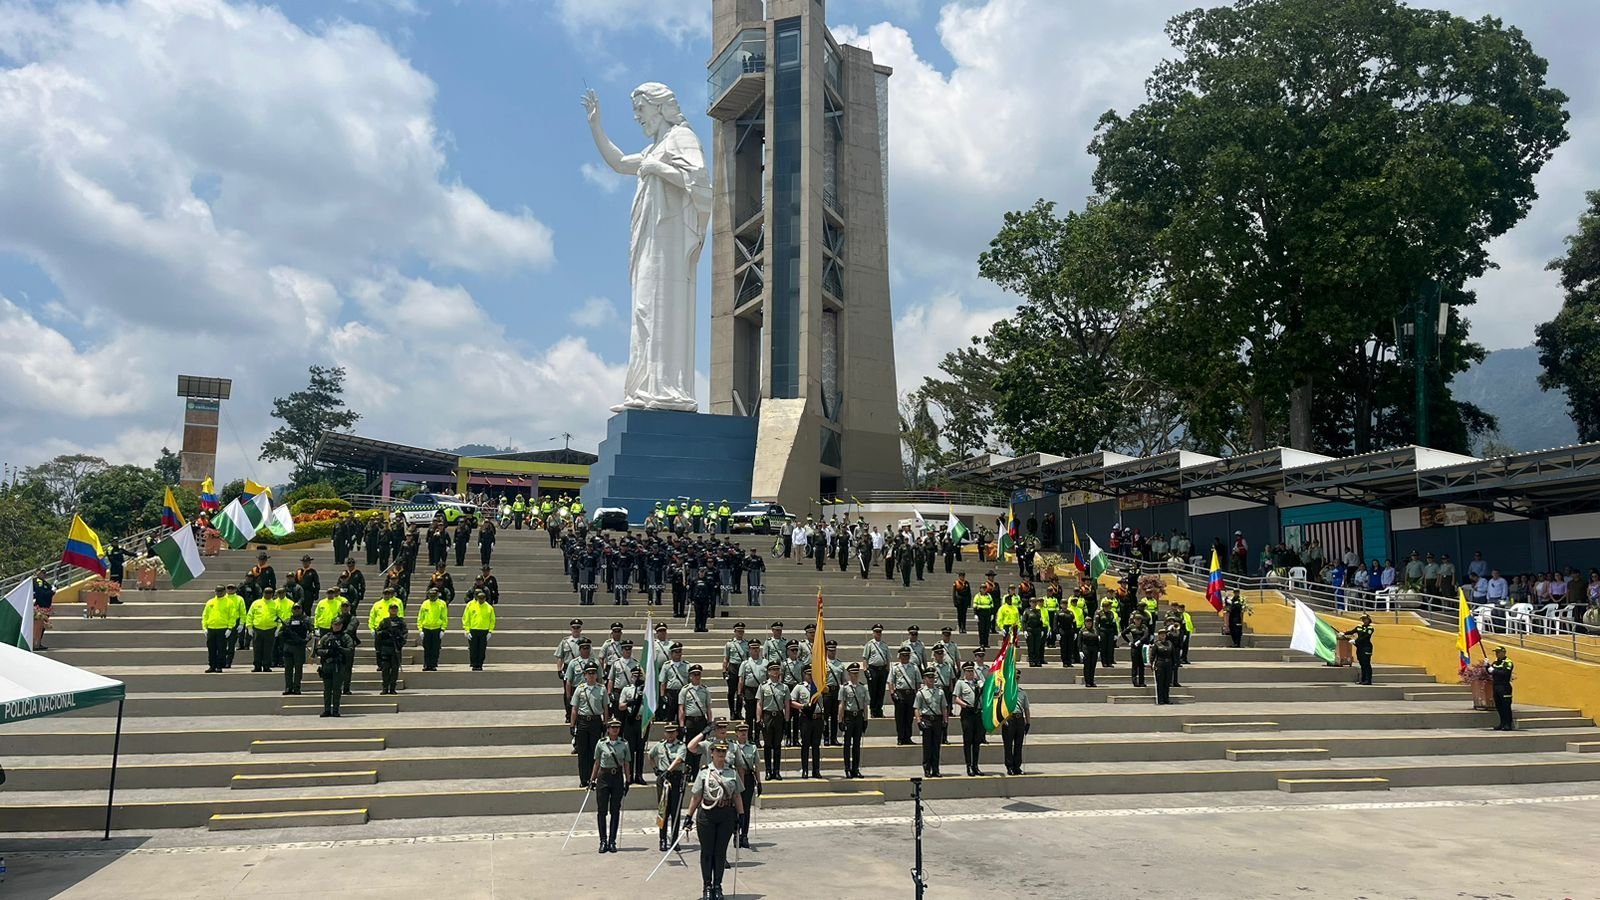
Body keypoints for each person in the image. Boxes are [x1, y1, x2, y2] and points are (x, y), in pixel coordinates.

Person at [683, 740, 746, 900]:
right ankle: (707, 887)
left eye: (723, 751)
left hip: (726, 814)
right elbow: (696, 796)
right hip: (707, 815)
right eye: (718, 751)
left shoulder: (732, 772)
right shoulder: (704, 771)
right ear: (712, 753)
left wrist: (741, 815)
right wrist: (689, 816)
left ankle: (718, 886)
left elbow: (737, 795)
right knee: (707, 853)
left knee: (720, 853)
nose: (721, 754)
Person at [589, 718, 632, 854]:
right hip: (604, 776)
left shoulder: (624, 744)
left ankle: (612, 840)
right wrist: (592, 779)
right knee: (602, 810)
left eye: (617, 728)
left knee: (615, 809)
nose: (614, 730)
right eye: (612, 727)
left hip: (617, 777)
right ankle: (603, 840)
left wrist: (628, 779)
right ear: (608, 729)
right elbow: (596, 762)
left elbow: (626, 763)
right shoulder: (601, 744)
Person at [572, 662, 609, 786]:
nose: (591, 675)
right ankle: (584, 779)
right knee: (583, 752)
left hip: (595, 722)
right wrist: (572, 725)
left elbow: (605, 708)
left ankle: (593, 779)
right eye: (589, 673)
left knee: (595, 752)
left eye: (593, 673)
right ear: (585, 675)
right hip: (582, 721)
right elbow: (574, 709)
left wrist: (606, 723)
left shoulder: (602, 689)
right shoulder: (580, 689)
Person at [728, 722, 761, 847]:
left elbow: (757, 765)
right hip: (735, 778)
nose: (743, 733)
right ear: (736, 733)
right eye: (740, 731)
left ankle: (744, 835)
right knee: (735, 808)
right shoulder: (732, 746)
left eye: (745, 731)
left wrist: (759, 782)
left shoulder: (752, 747)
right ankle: (735, 834)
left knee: (746, 808)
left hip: (748, 778)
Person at [789, 664, 823, 779]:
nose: (811, 676)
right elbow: (791, 701)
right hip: (806, 718)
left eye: (812, 673)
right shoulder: (799, 687)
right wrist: (802, 706)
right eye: (809, 674)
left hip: (817, 718)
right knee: (805, 745)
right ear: (804, 674)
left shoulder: (819, 686)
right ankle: (805, 770)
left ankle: (816, 770)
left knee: (816, 745)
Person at [756, 661, 788, 780]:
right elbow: (759, 703)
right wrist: (759, 719)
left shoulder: (784, 687)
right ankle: (769, 771)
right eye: (773, 669)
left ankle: (777, 770)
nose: (775, 672)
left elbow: (786, 705)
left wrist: (787, 720)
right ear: (768, 672)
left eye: (777, 669)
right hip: (767, 716)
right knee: (768, 745)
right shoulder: (763, 686)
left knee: (777, 745)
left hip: (779, 716)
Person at [316, 618, 354, 717]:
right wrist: (328, 652)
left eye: (339, 624)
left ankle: (336, 710)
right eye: (335, 624)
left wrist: (340, 649)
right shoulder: (326, 637)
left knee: (337, 689)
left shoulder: (346, 637)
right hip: (327, 665)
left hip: (338, 665)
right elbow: (318, 650)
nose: (337, 626)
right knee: (327, 689)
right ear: (332, 625)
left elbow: (350, 650)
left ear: (342, 626)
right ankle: (327, 710)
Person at [838, 662, 870, 778]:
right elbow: (842, 704)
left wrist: (866, 720)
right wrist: (840, 720)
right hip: (849, 717)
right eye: (853, 673)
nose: (855, 675)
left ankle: (855, 768)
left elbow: (865, 705)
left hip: (858, 717)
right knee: (847, 744)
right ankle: (847, 768)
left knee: (857, 745)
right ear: (849, 674)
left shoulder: (863, 688)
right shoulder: (845, 688)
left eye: (856, 673)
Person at [953, 661, 984, 776]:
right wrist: (965, 705)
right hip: (967, 713)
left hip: (978, 713)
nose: (970, 673)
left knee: (977, 741)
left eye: (972, 671)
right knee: (968, 740)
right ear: (964, 672)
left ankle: (976, 765)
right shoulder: (961, 683)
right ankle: (969, 765)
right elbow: (955, 698)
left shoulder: (978, 683)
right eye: (968, 671)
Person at [915, 666, 948, 777]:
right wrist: (919, 721)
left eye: (932, 677)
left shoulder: (940, 692)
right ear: (924, 678)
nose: (931, 679)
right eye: (929, 677)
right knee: (927, 746)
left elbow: (944, 707)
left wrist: (945, 720)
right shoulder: (921, 693)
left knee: (936, 746)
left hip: (937, 720)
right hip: (927, 720)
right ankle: (927, 768)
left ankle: (936, 769)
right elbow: (917, 708)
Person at [1001, 669, 1031, 774]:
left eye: (1018, 678)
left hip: (1019, 719)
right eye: (1014, 678)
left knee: (1019, 745)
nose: (1016, 680)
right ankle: (1009, 766)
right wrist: (1003, 721)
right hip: (1009, 719)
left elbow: (1026, 708)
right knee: (1008, 745)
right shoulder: (1005, 692)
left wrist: (1028, 722)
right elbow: (1000, 707)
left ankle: (1017, 766)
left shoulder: (1022, 692)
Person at [279, 601, 311, 695]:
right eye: (295, 609)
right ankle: (288, 687)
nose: (296, 610)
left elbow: (311, 631)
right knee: (288, 669)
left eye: (298, 608)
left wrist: (305, 640)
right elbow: (280, 634)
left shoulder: (306, 620)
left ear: (301, 609)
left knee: (298, 668)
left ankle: (297, 687)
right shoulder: (287, 621)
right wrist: (285, 633)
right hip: (288, 646)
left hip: (299, 647)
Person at [375, 605, 408, 695]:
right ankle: (385, 688)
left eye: (395, 609)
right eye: (392, 609)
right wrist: (384, 634)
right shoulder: (384, 621)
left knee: (394, 669)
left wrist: (400, 643)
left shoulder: (401, 622)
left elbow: (405, 634)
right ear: (389, 610)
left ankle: (392, 688)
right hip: (385, 648)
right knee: (385, 669)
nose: (393, 610)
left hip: (395, 649)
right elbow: (378, 634)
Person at [247, 587, 281, 672]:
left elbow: (280, 618)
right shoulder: (256, 603)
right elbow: (250, 615)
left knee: (268, 649)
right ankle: (257, 666)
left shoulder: (275, 604)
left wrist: (278, 629)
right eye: (266, 592)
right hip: (258, 629)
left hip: (270, 629)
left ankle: (266, 666)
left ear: (272, 594)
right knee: (257, 649)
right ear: (263, 593)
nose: (268, 594)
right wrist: (249, 627)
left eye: (270, 593)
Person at [889, 646, 917, 746]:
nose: (905, 657)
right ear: (900, 656)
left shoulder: (914, 667)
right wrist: (892, 693)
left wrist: (917, 695)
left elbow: (918, 682)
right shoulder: (895, 668)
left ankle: (908, 737)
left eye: (907, 655)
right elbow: (891, 681)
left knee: (909, 718)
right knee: (900, 718)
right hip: (900, 693)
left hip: (910, 694)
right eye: (903, 656)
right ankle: (900, 738)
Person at [463, 589, 496, 670]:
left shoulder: (489, 607)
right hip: (473, 630)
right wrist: (467, 630)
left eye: (483, 598)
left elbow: (492, 620)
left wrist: (490, 631)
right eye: (480, 598)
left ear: (485, 598)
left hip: (484, 630)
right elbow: (466, 618)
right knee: (473, 649)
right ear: (477, 598)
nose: (481, 600)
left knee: (482, 649)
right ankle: (474, 664)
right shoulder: (471, 605)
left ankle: (480, 664)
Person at [862, 624, 891, 718]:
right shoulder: (869, 644)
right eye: (876, 632)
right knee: (873, 691)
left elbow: (888, 658)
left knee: (881, 691)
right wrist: (865, 669)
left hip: (882, 669)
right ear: (873, 633)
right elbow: (865, 658)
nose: (878, 634)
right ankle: (873, 710)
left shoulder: (885, 645)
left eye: (880, 632)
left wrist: (887, 669)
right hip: (873, 669)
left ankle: (879, 709)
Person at [201, 585, 231, 672]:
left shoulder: (229, 602)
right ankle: (212, 666)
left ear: (224, 592)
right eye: (217, 591)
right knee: (211, 648)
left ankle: (219, 666)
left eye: (220, 591)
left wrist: (230, 628)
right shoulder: (210, 602)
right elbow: (205, 615)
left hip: (222, 628)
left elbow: (232, 616)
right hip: (211, 628)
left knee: (221, 649)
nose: (218, 593)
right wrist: (204, 628)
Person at [417, 589, 448, 671]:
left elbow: (444, 618)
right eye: (431, 596)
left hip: (436, 629)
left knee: (435, 648)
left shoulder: (442, 604)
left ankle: (433, 664)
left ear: (437, 595)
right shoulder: (425, 603)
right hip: (426, 628)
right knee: (427, 648)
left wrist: (443, 629)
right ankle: (426, 664)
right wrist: (420, 629)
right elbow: (420, 617)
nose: (432, 597)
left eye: (434, 595)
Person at [1343, 615, 1375, 685]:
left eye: (1365, 619)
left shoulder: (1370, 628)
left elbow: (1366, 637)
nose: (1364, 620)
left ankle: (1368, 680)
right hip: (1360, 648)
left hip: (1367, 648)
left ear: (1369, 620)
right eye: (1363, 619)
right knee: (1362, 664)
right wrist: (1344, 633)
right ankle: (1363, 680)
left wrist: (1355, 641)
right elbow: (1352, 632)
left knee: (1366, 664)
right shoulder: (1359, 627)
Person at [1489, 647, 1515, 731]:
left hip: (1504, 687)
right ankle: (1502, 723)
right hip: (1496, 686)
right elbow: (1490, 672)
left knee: (1506, 706)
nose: (1496, 654)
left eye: (1498, 652)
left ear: (1503, 653)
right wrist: (1487, 666)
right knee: (1499, 706)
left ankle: (1508, 724)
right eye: (1496, 652)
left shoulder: (1508, 662)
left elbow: (1505, 673)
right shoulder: (1495, 663)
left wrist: (1493, 671)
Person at [1152, 628, 1177, 705]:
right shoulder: (1156, 644)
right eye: (1161, 634)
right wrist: (1152, 664)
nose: (1163, 636)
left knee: (1167, 683)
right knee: (1160, 683)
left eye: (1164, 634)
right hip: (1160, 664)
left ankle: (1166, 699)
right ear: (1159, 635)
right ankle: (1160, 700)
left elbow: (1173, 654)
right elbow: (1152, 655)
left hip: (1168, 664)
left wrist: (1174, 663)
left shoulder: (1169, 643)